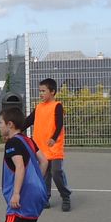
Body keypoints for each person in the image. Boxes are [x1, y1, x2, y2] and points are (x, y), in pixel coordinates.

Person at [23, 78, 72, 211]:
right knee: (44, 175)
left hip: (54, 147)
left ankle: (65, 196)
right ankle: (45, 197)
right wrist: (16, 129)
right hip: (41, 149)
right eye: (40, 91)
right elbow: (28, 121)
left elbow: (59, 124)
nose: (41, 94)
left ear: (52, 92)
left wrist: (54, 138)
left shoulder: (57, 106)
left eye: (43, 91)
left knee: (56, 172)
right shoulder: (39, 107)